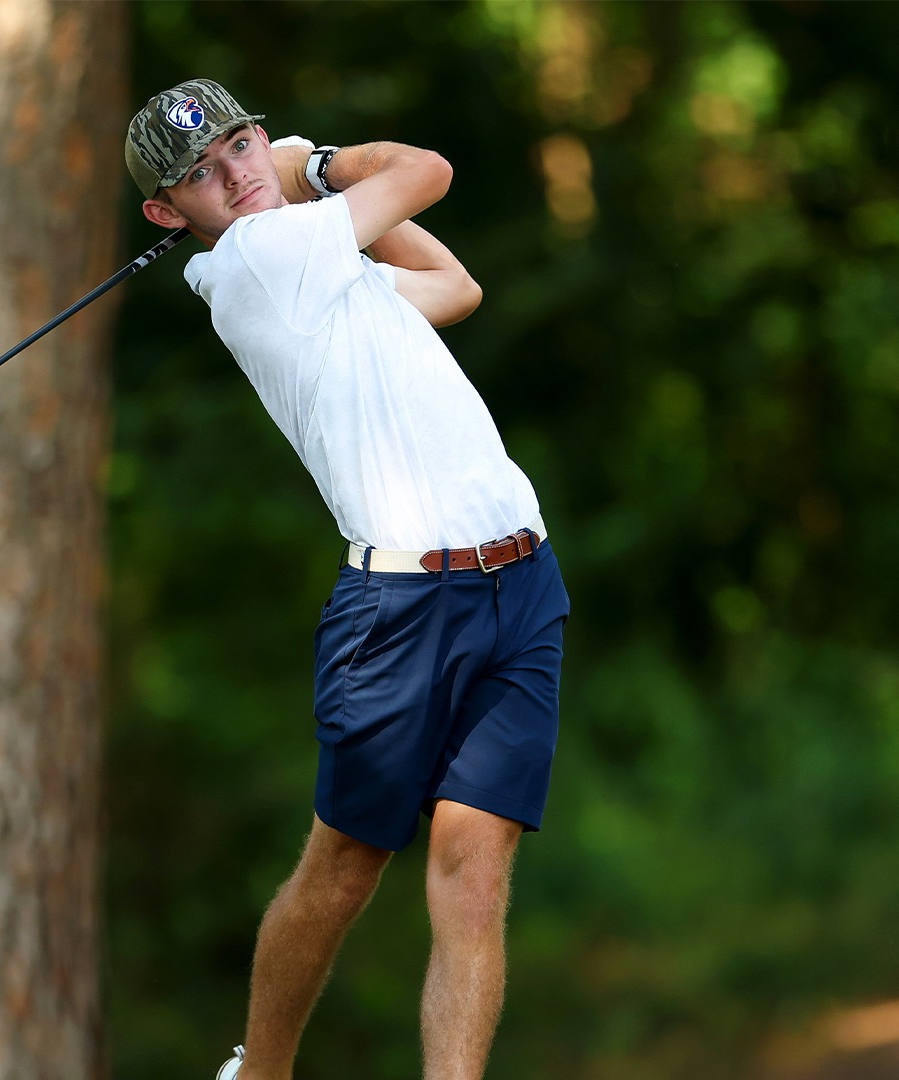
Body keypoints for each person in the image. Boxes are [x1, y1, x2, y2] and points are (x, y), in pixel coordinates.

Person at [125, 79, 570, 1080]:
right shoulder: (259, 259)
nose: (233, 175)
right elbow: (426, 174)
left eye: (240, 146)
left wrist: (309, 190)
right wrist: (311, 165)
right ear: (168, 215)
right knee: (342, 871)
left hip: (520, 577)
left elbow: (454, 289)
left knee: (475, 875)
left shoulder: (323, 265)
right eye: (199, 174)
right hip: (403, 609)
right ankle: (264, 1070)